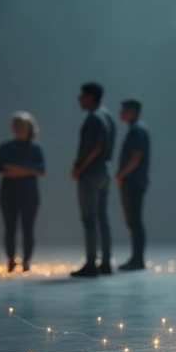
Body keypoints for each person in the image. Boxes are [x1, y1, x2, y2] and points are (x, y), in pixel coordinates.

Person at [69, 82, 116, 278]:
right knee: (103, 218)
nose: (79, 99)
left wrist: (79, 167)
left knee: (90, 220)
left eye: (82, 96)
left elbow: (95, 146)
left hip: (92, 173)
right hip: (105, 171)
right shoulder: (107, 116)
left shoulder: (94, 118)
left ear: (91, 97)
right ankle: (105, 262)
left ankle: (91, 264)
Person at [0, 112, 45, 272]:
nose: (19, 128)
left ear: (29, 127)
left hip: (29, 193)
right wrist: (26, 170)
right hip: (8, 193)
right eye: (16, 124)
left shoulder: (35, 148)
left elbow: (41, 170)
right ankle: (11, 260)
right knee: (10, 228)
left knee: (28, 228)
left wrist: (14, 169)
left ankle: (26, 261)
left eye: (22, 125)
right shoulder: (6, 146)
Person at [115, 99, 150, 272]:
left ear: (132, 111)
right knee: (134, 221)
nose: (120, 113)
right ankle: (137, 259)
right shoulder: (137, 130)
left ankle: (137, 260)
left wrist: (121, 174)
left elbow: (136, 157)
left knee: (135, 221)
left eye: (123, 110)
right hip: (134, 181)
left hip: (133, 182)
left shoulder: (137, 131)